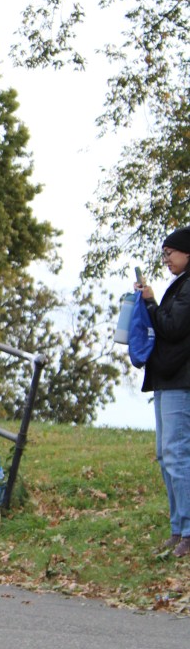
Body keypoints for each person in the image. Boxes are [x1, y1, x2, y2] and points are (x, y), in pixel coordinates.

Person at [136, 227, 190, 557]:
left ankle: (188, 530)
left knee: (176, 453)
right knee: (164, 454)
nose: (166, 259)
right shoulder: (181, 285)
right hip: (166, 379)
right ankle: (177, 527)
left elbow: (172, 327)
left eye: (170, 253)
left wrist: (151, 303)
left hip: (181, 380)